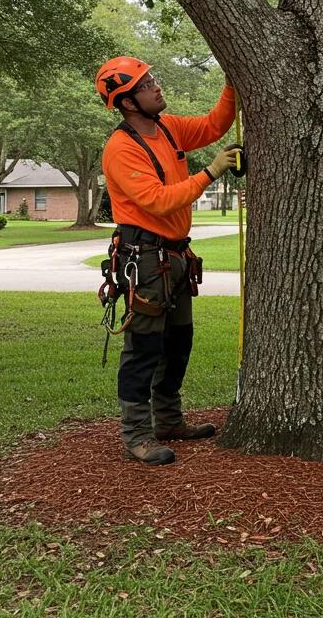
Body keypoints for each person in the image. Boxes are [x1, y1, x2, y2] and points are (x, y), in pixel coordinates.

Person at [96, 55, 239, 465]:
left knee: (178, 342)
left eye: (152, 80)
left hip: (174, 255)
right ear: (126, 102)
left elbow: (214, 125)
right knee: (144, 347)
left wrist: (232, 84)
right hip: (143, 258)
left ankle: (169, 419)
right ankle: (137, 434)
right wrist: (211, 171)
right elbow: (156, 201)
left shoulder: (168, 128)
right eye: (146, 84)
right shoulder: (121, 148)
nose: (156, 87)